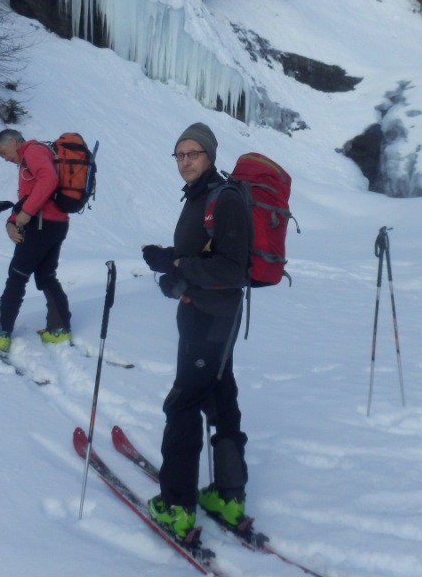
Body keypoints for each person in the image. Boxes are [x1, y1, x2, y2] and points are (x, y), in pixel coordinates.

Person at [141, 122, 252, 540]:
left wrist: (178, 267)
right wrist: (170, 265)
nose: (185, 161)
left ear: (210, 156)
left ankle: (177, 507)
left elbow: (230, 269)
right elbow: (201, 256)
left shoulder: (223, 199)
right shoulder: (200, 197)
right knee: (220, 394)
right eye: (180, 155)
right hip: (204, 315)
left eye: (194, 154)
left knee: (183, 405)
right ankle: (227, 494)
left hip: (211, 320)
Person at [0, 129, 73, 352]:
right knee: (46, 275)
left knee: (17, 276)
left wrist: (27, 213)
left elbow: (48, 179)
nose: (5, 158)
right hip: (55, 223)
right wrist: (12, 221)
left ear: (13, 141)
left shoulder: (33, 151)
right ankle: (59, 329)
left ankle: (0, 333)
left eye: (3, 152)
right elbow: (26, 198)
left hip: (41, 224)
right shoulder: (35, 156)